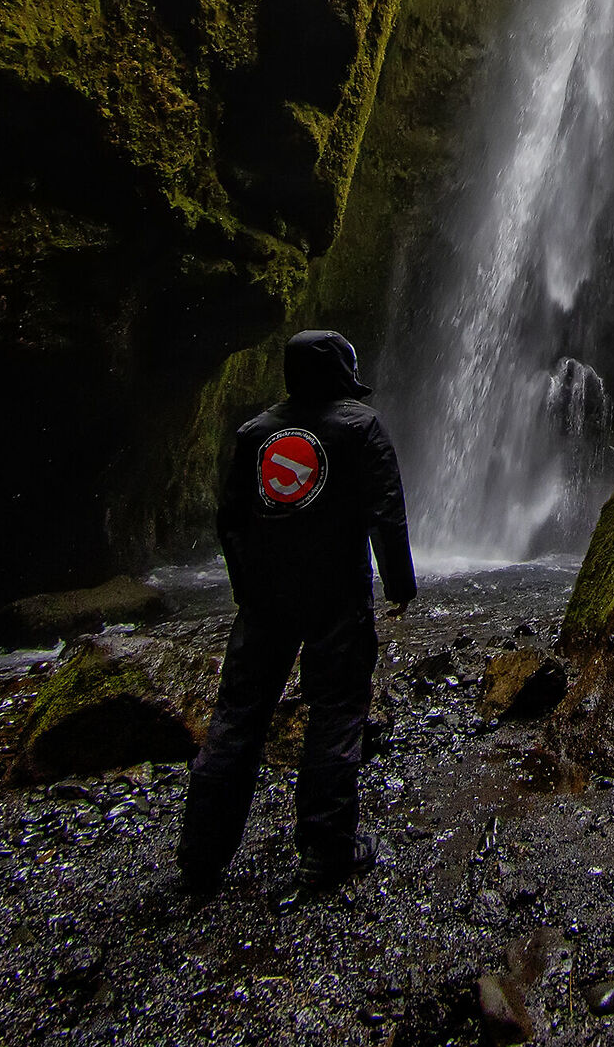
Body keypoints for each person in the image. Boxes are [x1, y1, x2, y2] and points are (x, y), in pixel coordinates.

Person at [175, 329, 415, 903]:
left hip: (265, 598)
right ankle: (327, 850)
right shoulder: (360, 427)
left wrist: (245, 585)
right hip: (336, 593)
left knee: (238, 716)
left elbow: (229, 520)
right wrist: (400, 584)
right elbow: (386, 512)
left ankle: (201, 859)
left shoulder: (256, 433)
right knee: (335, 711)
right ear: (341, 371)